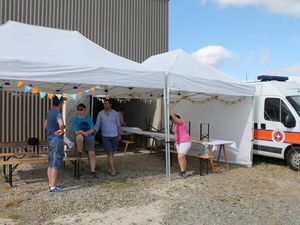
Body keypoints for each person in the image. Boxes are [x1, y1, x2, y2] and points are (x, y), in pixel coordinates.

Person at [94, 99, 121, 176]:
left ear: (110, 105)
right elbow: (97, 125)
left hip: (115, 136)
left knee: (111, 154)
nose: (105, 105)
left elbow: (118, 125)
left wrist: (119, 135)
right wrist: (94, 135)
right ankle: (113, 170)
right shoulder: (100, 113)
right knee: (109, 153)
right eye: (104, 104)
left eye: (106, 104)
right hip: (106, 137)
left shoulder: (115, 113)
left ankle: (109, 168)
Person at [44, 96, 65, 192]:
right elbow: (61, 123)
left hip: (50, 139)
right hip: (56, 140)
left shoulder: (49, 112)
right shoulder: (58, 113)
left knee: (51, 162)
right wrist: (61, 129)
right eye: (63, 102)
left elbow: (45, 126)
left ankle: (50, 184)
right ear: (60, 103)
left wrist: (51, 131)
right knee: (55, 163)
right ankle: (53, 187)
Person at [72, 103, 98, 179]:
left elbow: (92, 129)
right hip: (80, 136)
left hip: (89, 137)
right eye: (78, 109)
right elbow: (75, 131)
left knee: (92, 154)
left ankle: (93, 172)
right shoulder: (76, 119)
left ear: (85, 110)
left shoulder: (88, 118)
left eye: (81, 109)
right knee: (79, 137)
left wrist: (86, 133)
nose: (80, 111)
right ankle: (80, 152)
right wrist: (82, 133)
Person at [168, 103, 191, 179]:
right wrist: (176, 142)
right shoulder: (176, 125)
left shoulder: (181, 122)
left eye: (172, 120)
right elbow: (177, 134)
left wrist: (170, 109)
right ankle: (183, 172)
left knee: (180, 156)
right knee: (182, 157)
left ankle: (183, 173)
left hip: (185, 141)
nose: (172, 122)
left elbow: (174, 117)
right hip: (179, 143)